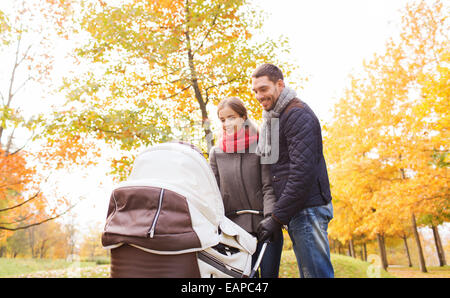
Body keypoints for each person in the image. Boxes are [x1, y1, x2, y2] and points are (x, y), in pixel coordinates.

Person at [252, 63, 334, 278]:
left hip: (308, 209)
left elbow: (301, 173)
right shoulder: (276, 118)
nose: (259, 96)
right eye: (256, 91)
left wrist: (277, 217)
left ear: (280, 84)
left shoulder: (296, 115)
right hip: (299, 210)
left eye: (264, 89)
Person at [209, 97, 283, 278]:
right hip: (234, 232)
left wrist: (271, 220)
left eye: (231, 117)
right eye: (222, 119)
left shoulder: (261, 146)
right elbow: (214, 194)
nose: (227, 123)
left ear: (243, 117)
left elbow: (268, 187)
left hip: (265, 227)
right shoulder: (216, 153)